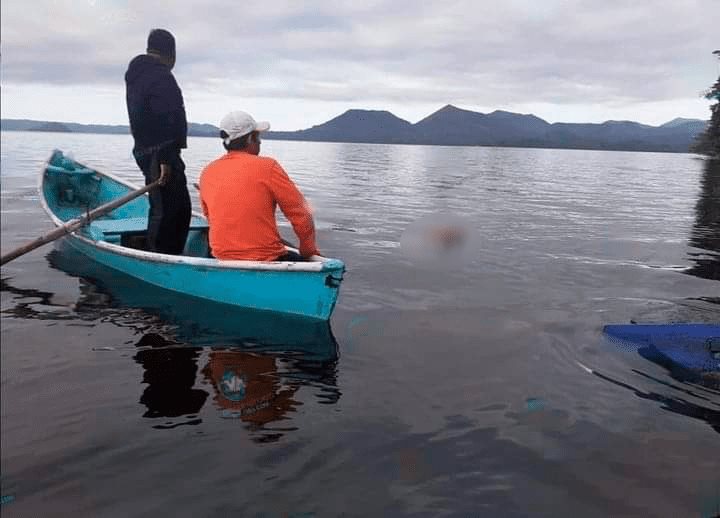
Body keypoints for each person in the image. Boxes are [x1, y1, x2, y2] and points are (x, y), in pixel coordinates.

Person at [199, 110, 320, 261]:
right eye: (258, 137)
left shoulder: (208, 171)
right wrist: (308, 250)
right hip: (265, 258)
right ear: (250, 138)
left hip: (221, 256)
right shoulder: (268, 167)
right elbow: (301, 211)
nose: (260, 141)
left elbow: (209, 216)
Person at [125, 28, 191, 255]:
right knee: (171, 210)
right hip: (161, 154)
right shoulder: (160, 76)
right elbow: (166, 117)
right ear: (171, 53)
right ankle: (160, 256)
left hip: (147, 151)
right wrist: (165, 157)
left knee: (168, 206)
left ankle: (163, 251)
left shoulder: (138, 75)